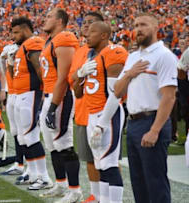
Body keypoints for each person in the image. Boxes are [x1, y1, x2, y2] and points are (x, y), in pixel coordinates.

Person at [114, 14, 178, 203]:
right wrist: (129, 74)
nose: (138, 29)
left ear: (156, 27)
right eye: (135, 25)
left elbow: (169, 96)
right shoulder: (133, 56)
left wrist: (155, 130)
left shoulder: (164, 56)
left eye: (143, 24)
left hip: (152, 121)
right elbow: (117, 91)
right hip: (133, 123)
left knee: (155, 182)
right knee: (138, 182)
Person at [76, 21, 128, 203]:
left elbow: (116, 93)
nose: (86, 35)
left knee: (109, 164)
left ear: (104, 35)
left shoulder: (114, 52)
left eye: (92, 32)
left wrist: (102, 123)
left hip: (108, 114)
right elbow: (77, 92)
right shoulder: (93, 57)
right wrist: (80, 75)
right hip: (92, 113)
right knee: (100, 164)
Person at [37, 8, 82, 202]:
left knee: (64, 143)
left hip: (61, 97)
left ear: (60, 20)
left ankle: (75, 190)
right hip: (49, 96)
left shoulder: (65, 38)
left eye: (49, 17)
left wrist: (54, 105)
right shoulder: (51, 41)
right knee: (53, 146)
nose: (44, 20)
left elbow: (64, 76)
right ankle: (61, 184)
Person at [9, 17, 52, 190]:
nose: (14, 36)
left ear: (26, 29)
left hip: (31, 93)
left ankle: (44, 177)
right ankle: (33, 173)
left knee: (31, 135)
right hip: (21, 94)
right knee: (23, 137)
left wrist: (44, 92)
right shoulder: (23, 46)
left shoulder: (34, 42)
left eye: (16, 32)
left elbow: (40, 69)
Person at [68, 12, 104, 203]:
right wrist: (80, 74)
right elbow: (72, 79)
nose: (86, 26)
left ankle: (108, 196)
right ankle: (96, 195)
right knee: (89, 157)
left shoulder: (112, 51)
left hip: (104, 112)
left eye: (91, 23)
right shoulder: (81, 51)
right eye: (85, 22)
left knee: (107, 159)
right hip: (83, 110)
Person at [0, 43, 26, 176]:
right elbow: (3, 60)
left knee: (25, 132)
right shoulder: (9, 47)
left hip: (23, 92)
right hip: (12, 91)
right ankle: (19, 162)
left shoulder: (30, 45)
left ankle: (29, 165)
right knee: (15, 131)